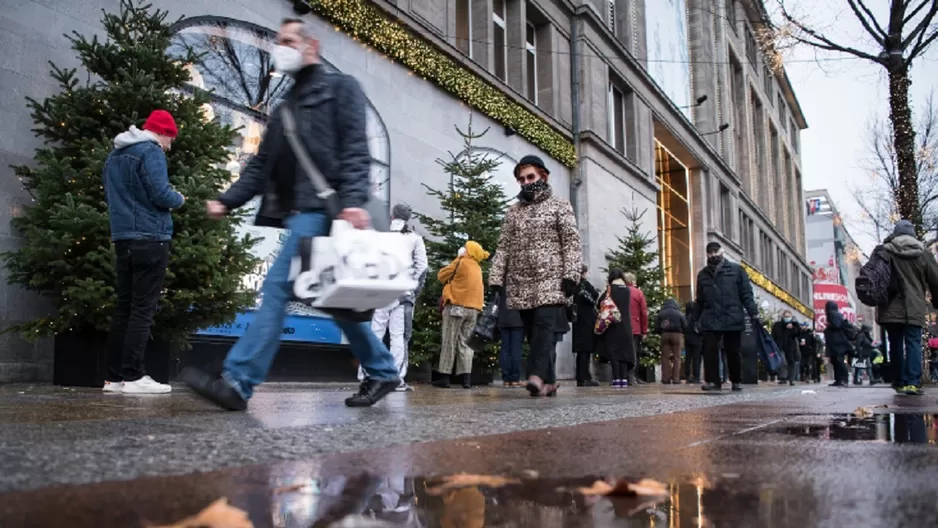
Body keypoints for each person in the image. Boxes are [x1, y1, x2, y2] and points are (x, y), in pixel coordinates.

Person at [181, 18, 401, 410]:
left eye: (287, 40)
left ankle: (239, 380)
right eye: (278, 41)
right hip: (304, 216)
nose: (280, 47)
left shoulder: (340, 88)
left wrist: (351, 200)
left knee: (278, 290)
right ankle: (382, 371)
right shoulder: (285, 109)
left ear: (310, 45)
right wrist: (226, 200)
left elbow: (355, 148)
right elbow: (260, 167)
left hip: (331, 213)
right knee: (337, 302)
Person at [102, 110, 184, 395]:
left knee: (124, 307)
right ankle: (134, 376)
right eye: (169, 139)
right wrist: (180, 198)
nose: (168, 146)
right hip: (150, 238)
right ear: (162, 133)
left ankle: (114, 378)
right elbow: (161, 194)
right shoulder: (150, 152)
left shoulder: (114, 156)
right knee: (142, 309)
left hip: (123, 238)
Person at [489, 155, 582, 397]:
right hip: (521, 283)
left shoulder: (560, 205)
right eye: (521, 179)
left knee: (543, 328)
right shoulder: (514, 212)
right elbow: (504, 246)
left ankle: (535, 376)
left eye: (530, 176)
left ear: (543, 175)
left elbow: (571, 242)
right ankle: (549, 382)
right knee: (533, 333)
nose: (526, 182)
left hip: (552, 281)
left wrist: (571, 274)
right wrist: (497, 278)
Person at [357, 204, 427, 391]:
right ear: (408, 218)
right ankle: (395, 379)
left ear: (392, 216)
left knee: (375, 333)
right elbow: (422, 268)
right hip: (403, 294)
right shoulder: (415, 238)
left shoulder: (381, 235)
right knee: (399, 337)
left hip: (382, 291)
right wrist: (413, 292)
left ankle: (366, 374)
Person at [875, 220, 938, 395]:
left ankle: (899, 381)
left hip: (890, 306)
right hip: (914, 305)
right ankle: (912, 383)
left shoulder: (885, 251)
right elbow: (935, 280)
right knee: (913, 343)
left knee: (895, 343)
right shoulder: (923, 252)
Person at [693, 241, 759, 392]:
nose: (713, 255)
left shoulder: (737, 270)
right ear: (707, 254)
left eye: (716, 252)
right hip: (711, 317)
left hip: (732, 316)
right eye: (710, 252)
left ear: (722, 252)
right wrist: (694, 319)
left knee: (733, 350)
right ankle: (713, 381)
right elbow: (700, 300)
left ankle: (736, 380)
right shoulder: (703, 275)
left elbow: (746, 294)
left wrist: (753, 312)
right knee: (710, 350)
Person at [434, 241, 488, 389]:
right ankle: (466, 379)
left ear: (468, 252)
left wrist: (458, 258)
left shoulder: (461, 262)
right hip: (473, 310)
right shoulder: (478, 267)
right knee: (465, 343)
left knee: (449, 341)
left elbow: (441, 275)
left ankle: (445, 377)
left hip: (456, 307)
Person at [595, 269, 636, 387]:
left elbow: (600, 303)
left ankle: (616, 378)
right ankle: (624, 379)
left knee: (614, 352)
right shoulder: (627, 290)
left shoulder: (610, 289)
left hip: (613, 323)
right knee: (624, 351)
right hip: (626, 324)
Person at [573, 265, 601, 387]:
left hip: (578, 320)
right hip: (586, 321)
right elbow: (594, 296)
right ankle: (585, 377)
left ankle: (580, 377)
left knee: (580, 351)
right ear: (584, 273)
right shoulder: (585, 285)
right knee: (585, 349)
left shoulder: (574, 286)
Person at [624, 272, 648, 385]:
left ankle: (623, 375)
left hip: (622, 326)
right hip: (635, 326)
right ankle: (632, 375)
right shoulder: (638, 293)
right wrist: (644, 330)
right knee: (634, 352)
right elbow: (644, 312)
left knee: (623, 351)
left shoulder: (621, 291)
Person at [497, 286, 524, 388]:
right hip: (518, 318)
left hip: (503, 317)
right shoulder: (521, 278)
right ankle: (515, 378)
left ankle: (506, 379)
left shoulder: (502, 279)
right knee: (516, 349)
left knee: (505, 348)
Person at [655, 298, 686, 384]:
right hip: (677, 335)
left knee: (665, 357)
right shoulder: (679, 313)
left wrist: (661, 332)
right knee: (677, 357)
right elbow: (685, 325)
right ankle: (676, 379)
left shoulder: (661, 314)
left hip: (665, 335)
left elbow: (656, 327)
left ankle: (665, 378)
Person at [823, 301, 852, 387]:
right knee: (836, 361)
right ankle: (839, 379)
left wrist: (828, 325)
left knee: (838, 361)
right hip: (837, 342)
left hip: (837, 342)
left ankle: (842, 379)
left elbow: (836, 325)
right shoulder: (838, 314)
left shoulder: (832, 314)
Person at [771, 310, 801, 386]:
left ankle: (791, 379)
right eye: (785, 316)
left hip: (791, 347)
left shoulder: (794, 325)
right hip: (780, 346)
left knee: (791, 362)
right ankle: (783, 378)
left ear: (791, 317)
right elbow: (773, 335)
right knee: (783, 362)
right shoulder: (778, 325)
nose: (787, 318)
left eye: (788, 316)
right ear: (783, 317)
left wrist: (793, 327)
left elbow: (798, 333)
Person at [683, 301, 703, 384]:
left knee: (688, 358)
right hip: (696, 340)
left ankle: (687, 376)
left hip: (687, 339)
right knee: (696, 359)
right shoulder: (697, 317)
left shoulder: (685, 317)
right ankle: (696, 377)